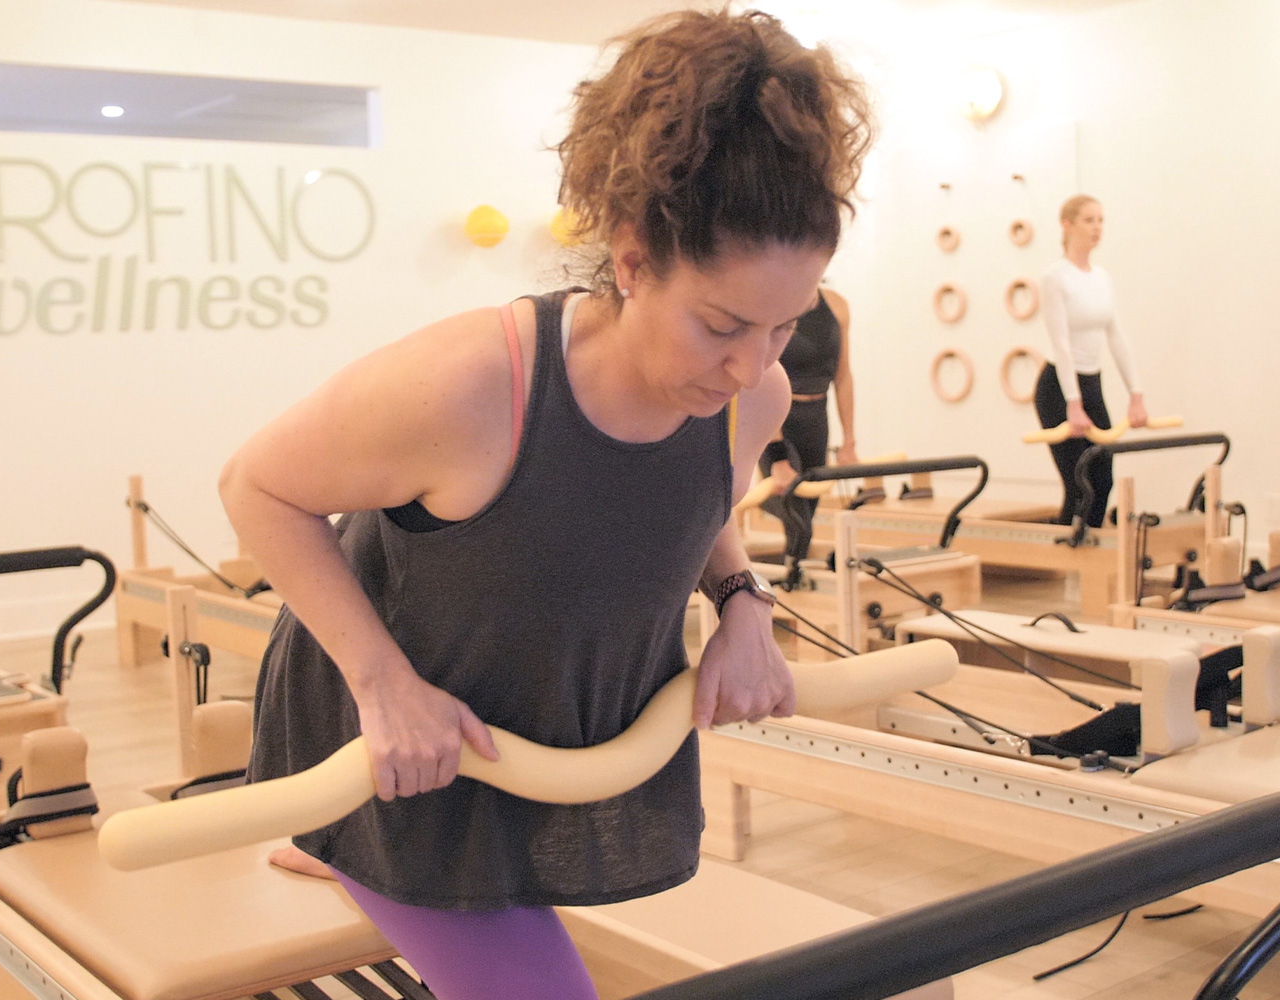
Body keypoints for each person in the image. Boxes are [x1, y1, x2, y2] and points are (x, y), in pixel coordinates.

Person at [219, 10, 871, 998]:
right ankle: (342, 845)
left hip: (543, 737)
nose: (751, 363)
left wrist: (744, 606)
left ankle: (340, 857)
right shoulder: (473, 384)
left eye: (786, 326)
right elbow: (255, 486)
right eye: (722, 324)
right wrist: (383, 688)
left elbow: (693, 505)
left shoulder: (756, 396)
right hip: (396, 741)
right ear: (633, 257)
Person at [1033, 194, 1147, 528]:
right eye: (1088, 220)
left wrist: (1136, 395)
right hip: (1059, 389)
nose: (1097, 227)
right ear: (1067, 225)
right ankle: (1070, 566)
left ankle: (1088, 559)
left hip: (1091, 384)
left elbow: (1115, 336)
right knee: (1080, 485)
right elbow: (1061, 343)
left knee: (1104, 480)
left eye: (1101, 220)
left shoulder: (1101, 278)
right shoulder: (1054, 277)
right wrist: (1073, 403)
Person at [758, 284, 856, 573]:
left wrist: (849, 441)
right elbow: (762, 375)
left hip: (816, 419)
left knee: (807, 515)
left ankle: (793, 582)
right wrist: (777, 457)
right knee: (799, 524)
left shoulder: (837, 305)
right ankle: (792, 584)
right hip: (778, 418)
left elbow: (843, 375)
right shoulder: (775, 303)